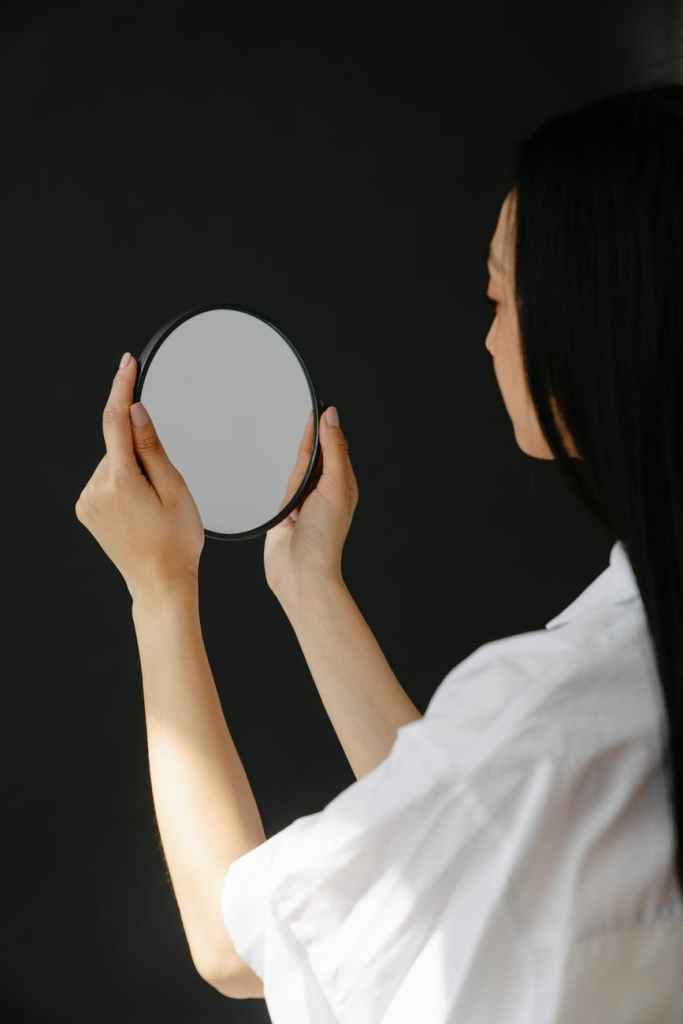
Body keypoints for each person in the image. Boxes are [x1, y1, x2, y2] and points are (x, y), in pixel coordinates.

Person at [76, 80, 683, 1020]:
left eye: (497, 294)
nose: (488, 339)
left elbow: (234, 947)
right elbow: (463, 832)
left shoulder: (568, 708)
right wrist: (308, 583)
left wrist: (158, 589)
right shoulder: (613, 664)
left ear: (596, 319)